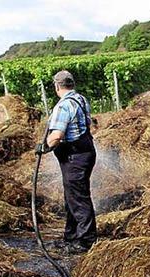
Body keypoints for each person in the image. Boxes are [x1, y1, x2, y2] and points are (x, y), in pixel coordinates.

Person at [36, 70, 97, 254]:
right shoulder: (81, 99)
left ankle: (86, 240)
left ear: (56, 87)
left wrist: (43, 147)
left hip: (74, 157)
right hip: (85, 152)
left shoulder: (63, 107)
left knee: (78, 198)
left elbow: (56, 136)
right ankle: (71, 237)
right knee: (72, 196)